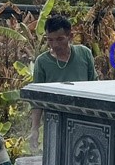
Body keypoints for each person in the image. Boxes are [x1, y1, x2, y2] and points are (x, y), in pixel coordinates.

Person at [29, 14, 97, 152]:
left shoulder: (84, 54)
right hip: (55, 123)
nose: (55, 44)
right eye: (50, 40)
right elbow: (37, 100)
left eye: (60, 39)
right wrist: (34, 129)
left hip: (84, 120)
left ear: (70, 36)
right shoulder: (42, 62)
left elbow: (95, 87)